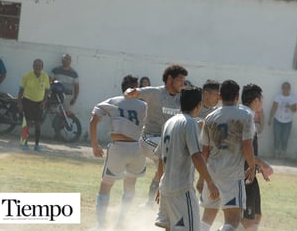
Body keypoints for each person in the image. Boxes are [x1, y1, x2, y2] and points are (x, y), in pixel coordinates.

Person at [154, 86, 219, 231]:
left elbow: (160, 157)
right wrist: (210, 182)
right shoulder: (189, 123)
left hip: (166, 187)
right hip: (182, 190)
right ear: (198, 105)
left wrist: (160, 183)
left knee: (170, 228)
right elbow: (196, 155)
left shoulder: (169, 123)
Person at [124, 64, 188, 207]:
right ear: (170, 79)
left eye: (184, 80)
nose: (183, 83)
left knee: (164, 170)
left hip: (166, 143)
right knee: (172, 154)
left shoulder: (181, 97)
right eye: (180, 79)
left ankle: (150, 203)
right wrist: (129, 91)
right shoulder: (155, 92)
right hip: (149, 139)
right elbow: (134, 91)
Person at [89, 75, 147, 230]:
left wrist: (95, 145)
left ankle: (101, 225)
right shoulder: (144, 105)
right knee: (130, 185)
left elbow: (93, 120)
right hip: (138, 148)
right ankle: (121, 222)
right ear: (135, 88)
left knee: (106, 184)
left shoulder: (112, 101)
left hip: (119, 147)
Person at [199, 80, 256, 231]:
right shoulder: (245, 116)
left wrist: (202, 178)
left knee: (207, 216)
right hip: (231, 175)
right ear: (237, 96)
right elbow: (247, 145)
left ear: (219, 96)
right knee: (233, 220)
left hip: (212, 172)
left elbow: (205, 152)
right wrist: (252, 166)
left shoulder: (210, 118)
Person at [240, 84, 273, 231]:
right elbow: (244, 148)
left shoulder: (248, 116)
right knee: (248, 219)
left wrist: (258, 166)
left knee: (257, 215)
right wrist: (263, 164)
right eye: (262, 99)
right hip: (244, 174)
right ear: (256, 100)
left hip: (251, 172)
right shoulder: (245, 117)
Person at [17, 59, 50, 151]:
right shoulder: (27, 76)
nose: (37, 67)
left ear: (42, 67)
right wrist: (19, 102)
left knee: (38, 124)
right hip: (28, 101)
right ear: (33, 66)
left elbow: (47, 90)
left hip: (39, 103)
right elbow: (21, 90)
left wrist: (44, 101)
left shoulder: (45, 76)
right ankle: (25, 143)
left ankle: (37, 145)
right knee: (26, 123)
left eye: (39, 65)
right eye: (36, 65)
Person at [268, 81, 297, 158]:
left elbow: (295, 109)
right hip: (277, 120)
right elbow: (274, 107)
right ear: (282, 89)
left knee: (285, 138)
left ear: (289, 89)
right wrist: (270, 118)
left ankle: (283, 153)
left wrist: (290, 106)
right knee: (276, 137)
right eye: (284, 88)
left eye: (287, 88)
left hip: (288, 121)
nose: (285, 89)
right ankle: (276, 153)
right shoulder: (278, 96)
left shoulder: (292, 97)